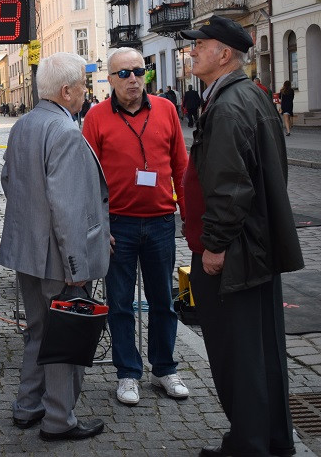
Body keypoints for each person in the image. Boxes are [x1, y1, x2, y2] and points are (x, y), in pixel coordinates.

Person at [181, 15, 304, 457]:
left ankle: (250, 446)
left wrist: (214, 246)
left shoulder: (231, 105)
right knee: (261, 351)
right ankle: (267, 441)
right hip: (254, 248)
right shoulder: (244, 96)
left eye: (201, 44)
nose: (193, 50)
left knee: (240, 356)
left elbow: (231, 187)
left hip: (234, 254)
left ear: (224, 54)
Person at [0, 53, 110, 442]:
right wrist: (76, 267)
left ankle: (28, 407)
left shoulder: (24, 124)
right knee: (66, 336)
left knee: (38, 331)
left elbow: (9, 179)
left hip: (28, 251)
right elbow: (68, 208)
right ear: (67, 91)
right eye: (82, 84)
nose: (85, 91)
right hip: (59, 258)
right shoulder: (64, 131)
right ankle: (59, 419)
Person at [82, 47, 190, 406]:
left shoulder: (166, 110)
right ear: (110, 80)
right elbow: (87, 180)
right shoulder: (96, 117)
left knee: (164, 302)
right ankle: (128, 373)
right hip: (119, 226)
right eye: (124, 74)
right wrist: (97, 226)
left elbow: (181, 167)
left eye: (139, 71)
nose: (133, 79)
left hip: (160, 221)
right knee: (120, 304)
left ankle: (164, 368)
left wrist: (187, 217)